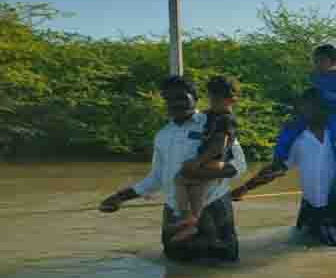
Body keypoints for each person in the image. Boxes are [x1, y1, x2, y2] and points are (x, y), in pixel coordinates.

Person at [99, 76, 247, 262]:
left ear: (194, 98)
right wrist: (121, 197)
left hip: (214, 208)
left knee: (221, 270)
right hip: (174, 210)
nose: (176, 104)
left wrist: (201, 173)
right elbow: (156, 178)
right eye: (169, 100)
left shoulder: (213, 122)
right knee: (175, 269)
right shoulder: (163, 135)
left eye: (182, 98)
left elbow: (239, 165)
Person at [232, 88, 336, 247]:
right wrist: (245, 187)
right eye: (305, 107)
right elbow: (276, 169)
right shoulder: (297, 138)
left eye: (313, 106)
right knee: (298, 243)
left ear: (325, 107)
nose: (308, 111)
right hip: (310, 207)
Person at [172, 76, 239, 242]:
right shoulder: (214, 115)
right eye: (211, 98)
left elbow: (219, 145)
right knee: (196, 188)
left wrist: (198, 161)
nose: (213, 103)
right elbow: (205, 120)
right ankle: (191, 223)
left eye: (217, 100)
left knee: (180, 178)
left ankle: (188, 219)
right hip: (213, 161)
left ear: (231, 100)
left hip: (213, 160)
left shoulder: (225, 119)